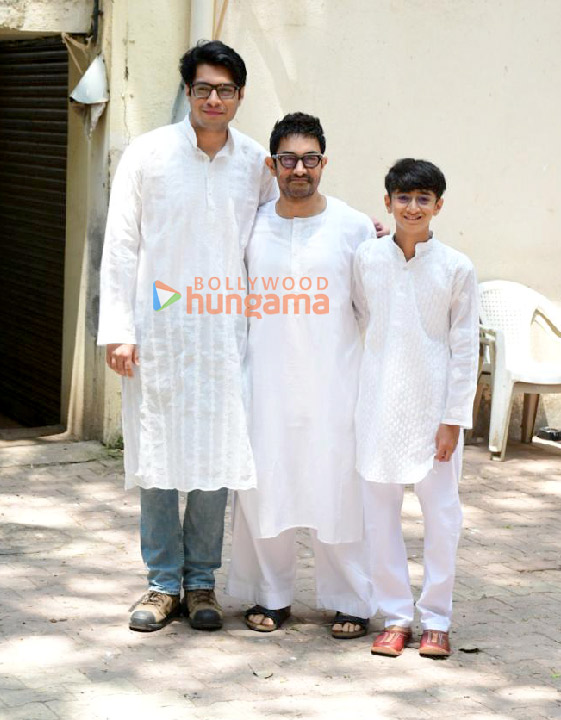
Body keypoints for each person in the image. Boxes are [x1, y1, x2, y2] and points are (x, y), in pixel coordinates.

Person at [97, 41, 276, 632]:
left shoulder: (256, 163)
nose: (215, 99)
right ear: (188, 93)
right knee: (158, 456)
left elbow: (280, 233)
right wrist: (118, 330)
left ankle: (202, 583)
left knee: (215, 457)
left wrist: (362, 232)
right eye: (204, 89)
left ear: (240, 96)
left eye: (226, 89)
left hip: (226, 335)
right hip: (160, 333)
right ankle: (160, 584)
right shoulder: (147, 155)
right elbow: (121, 245)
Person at [227, 113, 378, 638]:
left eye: (309, 159)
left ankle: (351, 600)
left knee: (336, 491)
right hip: (264, 384)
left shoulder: (355, 226)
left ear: (323, 164)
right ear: (272, 165)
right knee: (265, 488)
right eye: (287, 159)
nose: (298, 169)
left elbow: (369, 309)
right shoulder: (251, 223)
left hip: (334, 386)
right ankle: (272, 595)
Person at [353, 158, 479, 657]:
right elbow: (362, 317)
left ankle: (437, 619)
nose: (412, 207)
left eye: (423, 198)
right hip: (378, 407)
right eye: (403, 198)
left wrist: (453, 419)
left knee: (442, 517)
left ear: (438, 206)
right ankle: (395, 617)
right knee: (379, 518)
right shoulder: (366, 258)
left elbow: (465, 347)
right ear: (387, 202)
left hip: (434, 414)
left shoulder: (456, 267)